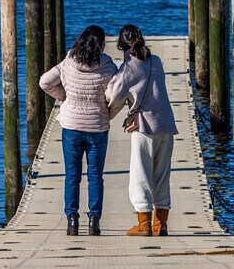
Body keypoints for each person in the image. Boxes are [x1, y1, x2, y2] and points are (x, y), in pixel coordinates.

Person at [40, 25, 118, 236]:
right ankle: (94, 220)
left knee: (72, 176)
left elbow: (45, 82)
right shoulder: (108, 67)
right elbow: (116, 94)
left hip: (71, 127)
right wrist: (106, 109)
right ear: (102, 44)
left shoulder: (68, 62)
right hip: (97, 127)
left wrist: (65, 97)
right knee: (95, 176)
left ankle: (72, 220)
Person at [106, 24, 178, 236]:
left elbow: (112, 96)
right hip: (166, 123)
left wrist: (107, 114)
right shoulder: (156, 61)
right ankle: (161, 225)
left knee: (141, 175)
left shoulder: (128, 69)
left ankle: (144, 224)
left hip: (145, 126)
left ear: (121, 45)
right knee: (162, 175)